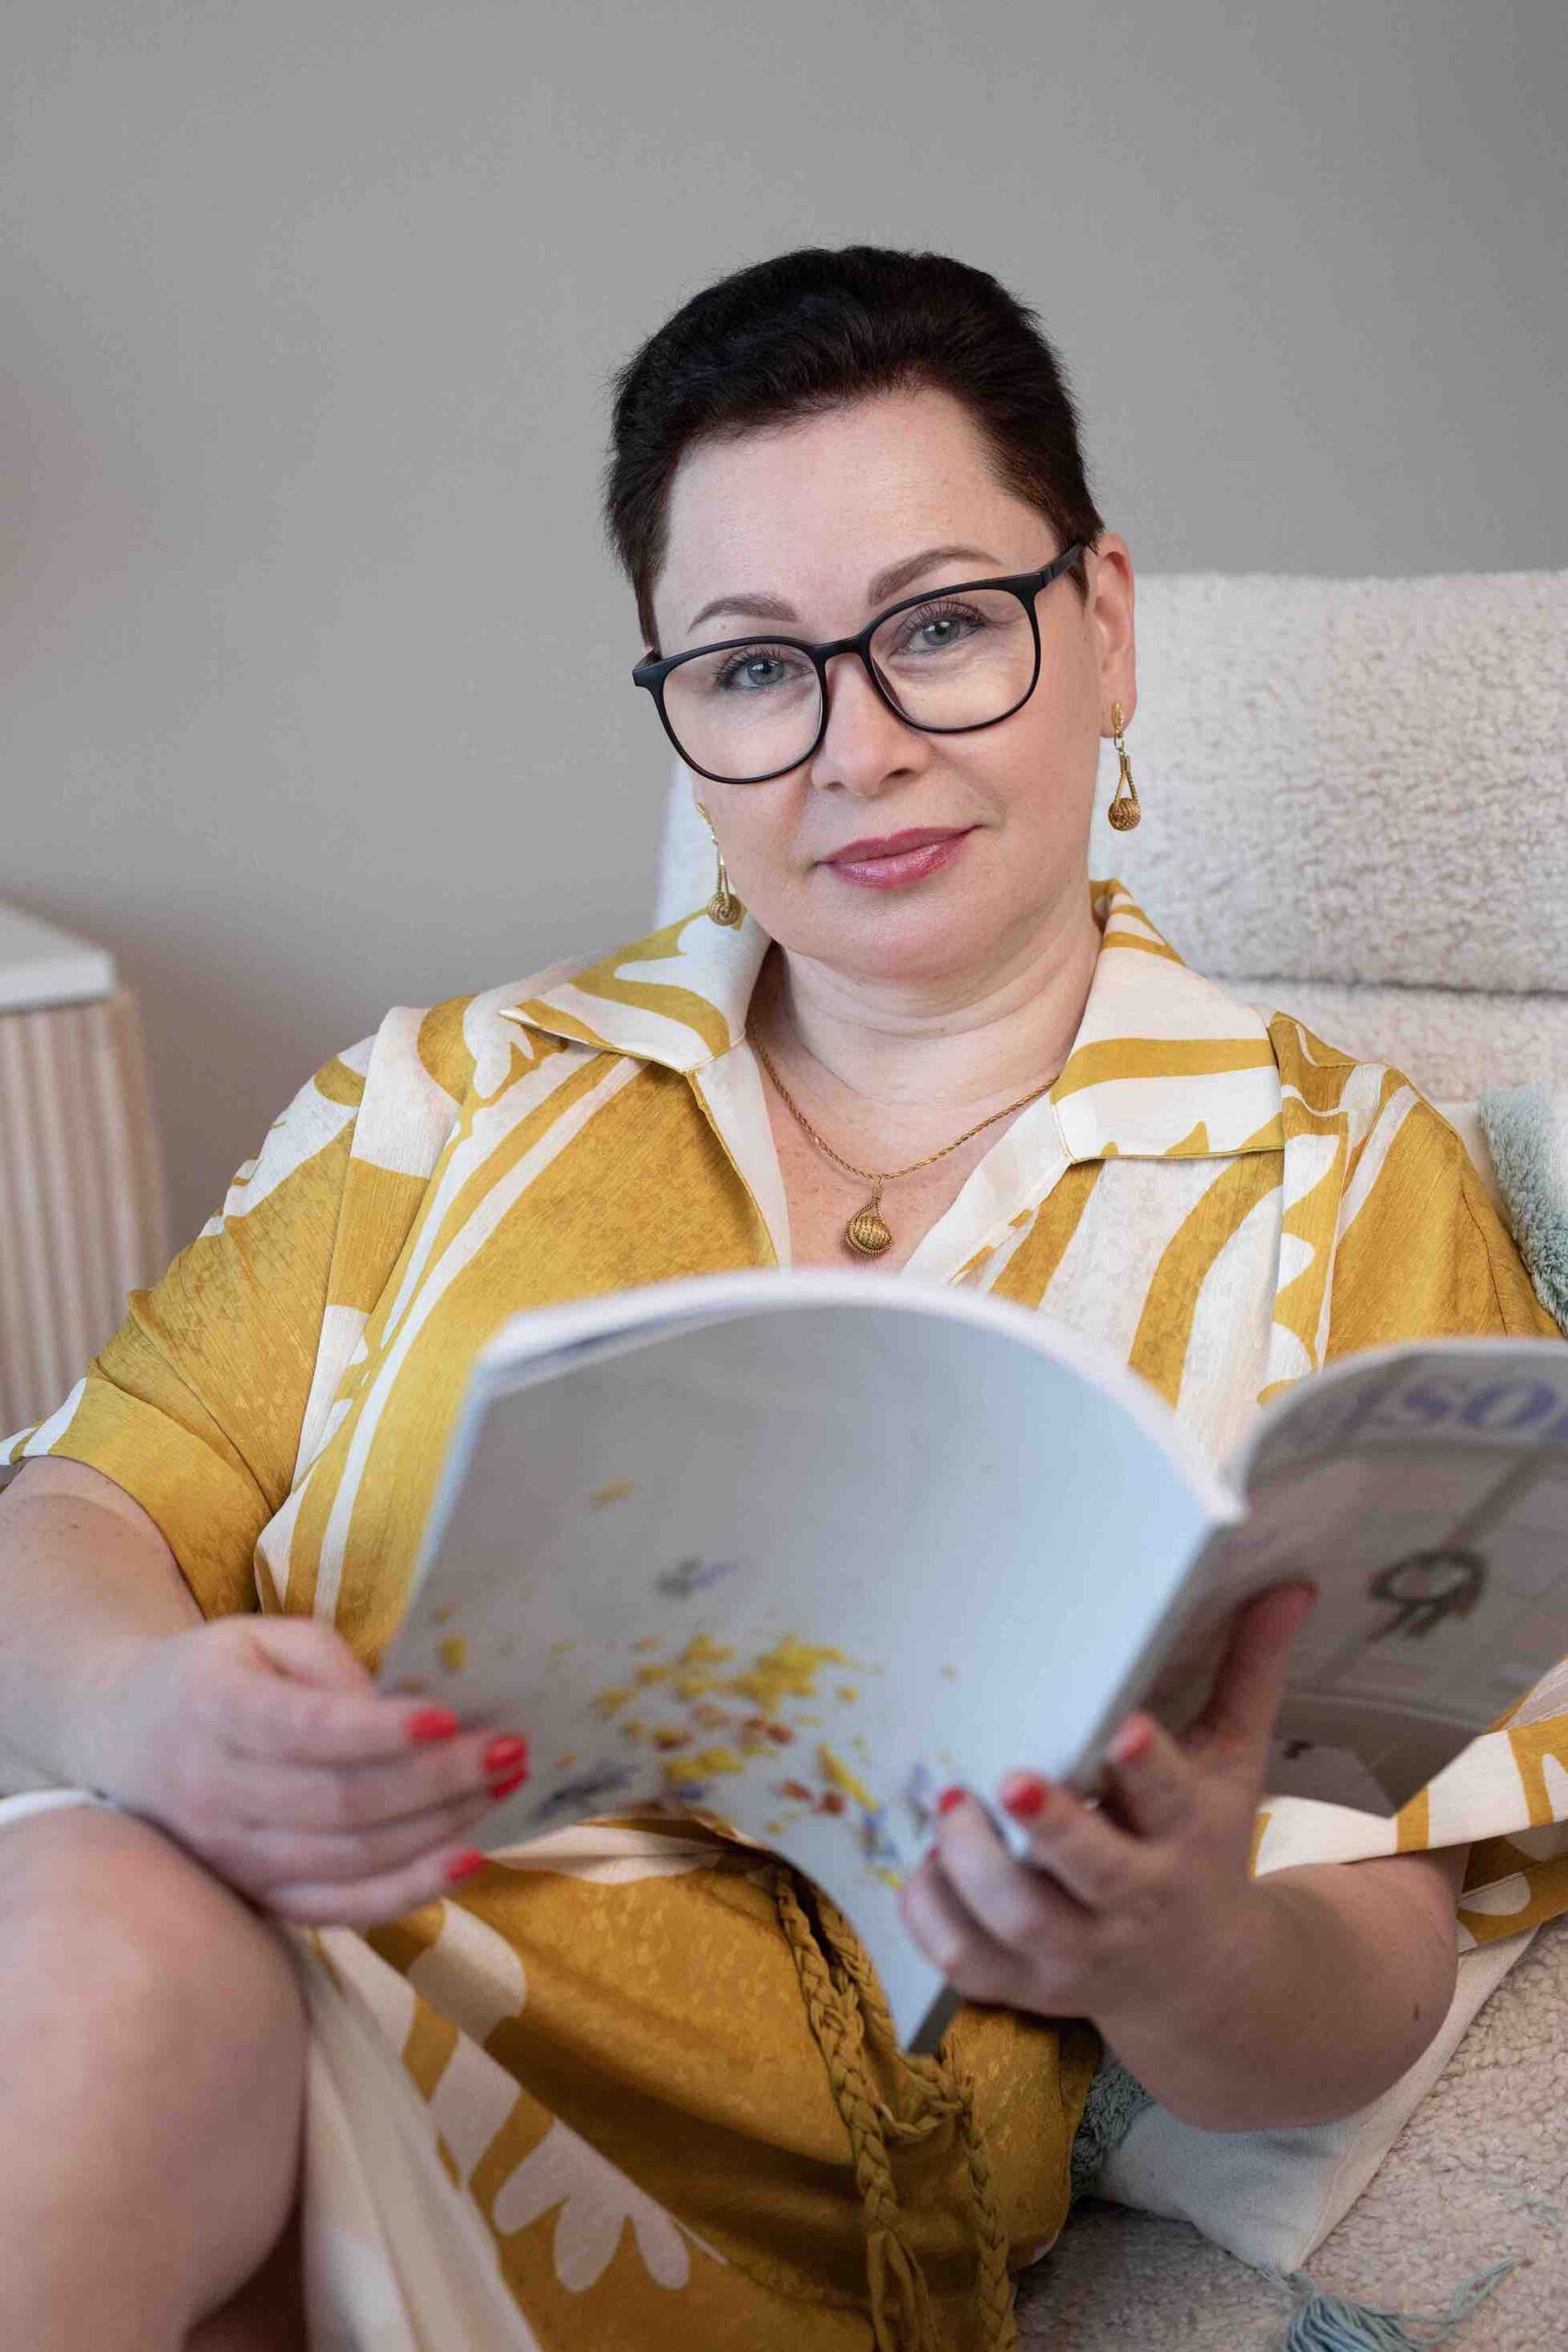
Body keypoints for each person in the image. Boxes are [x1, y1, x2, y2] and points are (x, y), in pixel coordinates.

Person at [0, 244, 1561, 2352]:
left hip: (731, 2256)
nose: (856, 745)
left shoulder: (1348, 1181)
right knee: (103, 1911)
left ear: (1100, 624)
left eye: (939, 626)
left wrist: (1178, 1949)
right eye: (752, 667)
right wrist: (146, 1709)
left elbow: (1370, 1952)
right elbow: (78, 1504)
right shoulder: (449, 1095)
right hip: (222, 2029)